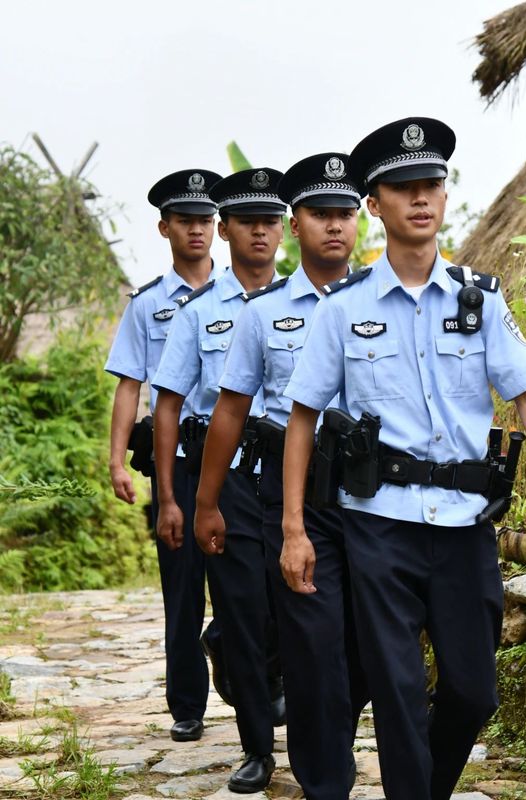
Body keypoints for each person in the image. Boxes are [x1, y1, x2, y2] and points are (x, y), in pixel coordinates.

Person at [280, 117, 526, 800]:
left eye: (431, 185)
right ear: (374, 205)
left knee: (474, 693)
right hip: (377, 524)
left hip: (464, 523)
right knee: (398, 693)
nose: (420, 198)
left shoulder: (481, 299)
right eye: (402, 187)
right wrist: (295, 529)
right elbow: (302, 417)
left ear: (444, 197)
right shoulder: (344, 308)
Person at [194, 153, 368, 800]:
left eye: (344, 214)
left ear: (359, 222)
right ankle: (319, 773)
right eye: (320, 214)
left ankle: (330, 733)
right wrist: (208, 501)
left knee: (364, 646)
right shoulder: (262, 314)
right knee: (308, 640)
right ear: (297, 225)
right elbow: (230, 412)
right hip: (286, 492)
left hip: (370, 495)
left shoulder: (385, 300)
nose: (334, 227)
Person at [151, 168, 287, 793]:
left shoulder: (311, 305)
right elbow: (170, 404)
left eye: (271, 220)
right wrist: (173, 496)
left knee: (296, 611)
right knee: (241, 606)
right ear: (226, 228)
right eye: (247, 221)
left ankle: (304, 718)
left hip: (295, 478)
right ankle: (258, 748)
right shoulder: (197, 314)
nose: (261, 231)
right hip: (226, 478)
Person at [104, 169, 224, 742]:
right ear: (165, 227)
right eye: (186, 221)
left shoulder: (246, 296)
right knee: (181, 585)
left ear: (216, 227)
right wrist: (114, 460)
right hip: (175, 460)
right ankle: (187, 707)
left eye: (205, 220)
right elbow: (130, 383)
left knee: (244, 578)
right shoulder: (148, 305)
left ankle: (236, 657)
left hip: (238, 460)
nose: (197, 230)